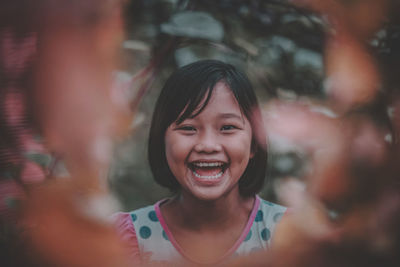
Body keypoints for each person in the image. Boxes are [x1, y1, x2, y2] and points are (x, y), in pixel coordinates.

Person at [114, 59, 286, 266]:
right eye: (188, 128)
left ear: (254, 145)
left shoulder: (288, 235)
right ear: (162, 142)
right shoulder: (125, 238)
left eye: (227, 127)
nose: (207, 145)